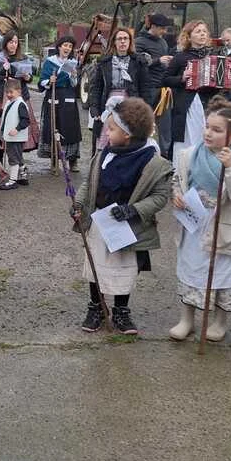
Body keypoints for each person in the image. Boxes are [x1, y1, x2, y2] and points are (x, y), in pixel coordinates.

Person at [71, 97, 171, 335]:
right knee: (96, 266)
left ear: (127, 134)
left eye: (112, 129)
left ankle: (121, 311)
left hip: (127, 227)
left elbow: (160, 197)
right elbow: (90, 182)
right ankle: (96, 306)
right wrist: (78, 204)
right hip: (100, 222)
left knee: (124, 270)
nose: (107, 132)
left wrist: (133, 210)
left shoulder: (152, 162)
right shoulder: (105, 154)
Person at [169, 97, 231, 342]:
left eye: (217, 130)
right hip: (194, 222)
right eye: (207, 127)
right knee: (190, 269)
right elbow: (178, 179)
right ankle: (186, 318)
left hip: (224, 226)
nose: (208, 133)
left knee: (222, 274)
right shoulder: (189, 154)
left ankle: (220, 321)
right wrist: (177, 195)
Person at [162, 20, 221, 159]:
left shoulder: (212, 58)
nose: (202, 34)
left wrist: (223, 79)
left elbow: (213, 89)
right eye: (198, 31)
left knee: (204, 140)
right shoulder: (181, 57)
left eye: (204, 31)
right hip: (185, 107)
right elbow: (165, 79)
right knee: (186, 143)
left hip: (205, 105)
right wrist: (182, 78)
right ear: (189, 36)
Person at [90, 27, 149, 150]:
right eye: (119, 39)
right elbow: (96, 87)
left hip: (130, 103)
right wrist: (95, 109)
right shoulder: (105, 62)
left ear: (130, 42)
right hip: (108, 104)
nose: (123, 41)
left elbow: (145, 88)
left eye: (125, 38)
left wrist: (145, 110)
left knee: (127, 134)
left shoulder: (138, 62)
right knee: (106, 135)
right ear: (114, 42)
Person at [0, 30, 39, 152]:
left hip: (20, 96)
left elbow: (30, 78)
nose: (13, 45)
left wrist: (27, 77)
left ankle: (18, 155)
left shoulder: (23, 58)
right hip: (2, 96)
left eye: (15, 42)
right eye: (11, 42)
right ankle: (0, 151)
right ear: (5, 43)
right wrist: (3, 71)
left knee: (19, 122)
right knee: (1, 123)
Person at [39, 36, 83, 170]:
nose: (67, 48)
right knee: (53, 127)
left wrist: (74, 76)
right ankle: (54, 160)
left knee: (71, 128)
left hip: (68, 99)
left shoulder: (73, 63)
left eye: (70, 46)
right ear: (59, 47)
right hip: (53, 97)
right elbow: (41, 82)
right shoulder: (49, 62)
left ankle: (72, 160)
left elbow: (74, 85)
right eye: (65, 45)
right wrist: (50, 80)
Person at [135, 13, 175, 156]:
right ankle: (140, 152)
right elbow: (137, 63)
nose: (164, 31)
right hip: (147, 88)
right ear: (153, 26)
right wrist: (158, 61)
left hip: (163, 89)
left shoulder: (163, 42)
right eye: (162, 28)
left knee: (165, 125)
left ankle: (166, 156)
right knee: (144, 122)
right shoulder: (139, 42)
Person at [0, 79, 30, 191]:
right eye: (7, 92)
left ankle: (13, 180)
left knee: (13, 158)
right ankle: (23, 175)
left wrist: (17, 129)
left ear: (19, 91)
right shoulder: (9, 102)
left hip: (16, 137)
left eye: (11, 92)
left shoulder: (20, 104)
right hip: (11, 136)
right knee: (18, 156)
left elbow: (26, 120)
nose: (8, 94)